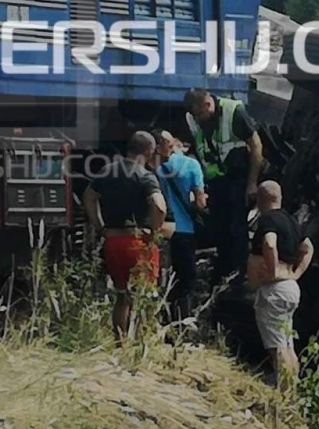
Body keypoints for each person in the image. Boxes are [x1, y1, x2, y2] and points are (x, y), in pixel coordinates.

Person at [83, 132, 167, 340]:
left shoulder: (106, 171)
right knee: (144, 296)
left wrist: (100, 226)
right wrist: (154, 233)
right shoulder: (145, 175)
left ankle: (121, 343)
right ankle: (142, 343)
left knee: (122, 296)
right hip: (138, 242)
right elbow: (159, 207)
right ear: (148, 151)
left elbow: (88, 197)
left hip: (113, 241)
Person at [184, 89, 263, 286]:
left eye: (201, 113)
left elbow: (256, 146)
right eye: (196, 115)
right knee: (220, 231)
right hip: (217, 185)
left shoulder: (233, 111)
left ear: (208, 103)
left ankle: (240, 276)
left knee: (237, 230)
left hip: (237, 180)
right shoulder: (196, 120)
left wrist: (252, 183)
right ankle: (222, 274)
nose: (199, 118)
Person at [246, 180, 314, 389]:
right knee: (287, 344)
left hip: (274, 290)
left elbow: (269, 243)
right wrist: (297, 273)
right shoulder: (291, 221)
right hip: (290, 288)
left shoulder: (268, 220)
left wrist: (273, 269)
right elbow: (308, 247)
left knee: (277, 348)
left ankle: (283, 393)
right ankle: (291, 388)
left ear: (260, 199)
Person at [156, 131, 206, 323]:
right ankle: (180, 323)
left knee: (165, 278)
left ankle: (162, 319)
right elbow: (200, 202)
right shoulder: (192, 165)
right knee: (186, 281)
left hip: (164, 229)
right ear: (176, 144)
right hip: (185, 230)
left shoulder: (159, 169)